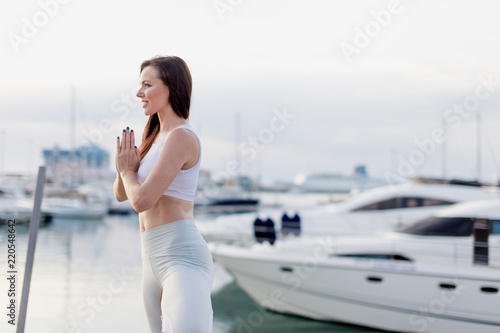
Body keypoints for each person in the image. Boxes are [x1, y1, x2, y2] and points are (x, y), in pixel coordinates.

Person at [113, 55, 214, 332]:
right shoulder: (154, 137)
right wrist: (125, 167)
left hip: (182, 259)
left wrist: (127, 172)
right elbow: (121, 194)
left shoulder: (181, 137)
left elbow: (142, 200)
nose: (139, 93)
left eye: (147, 84)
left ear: (171, 88)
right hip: (150, 260)